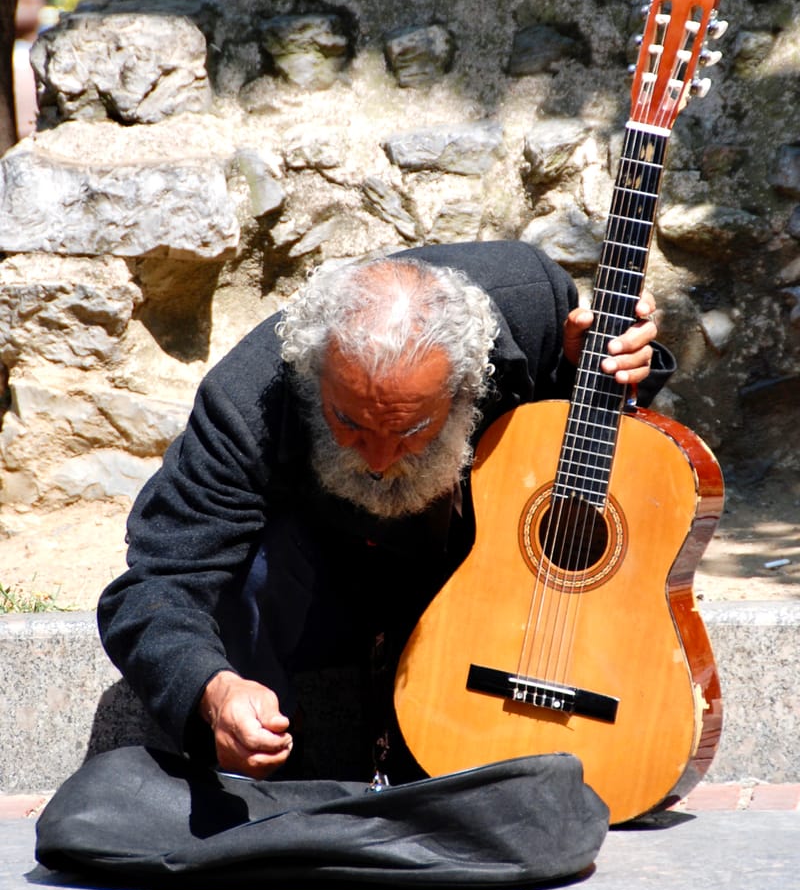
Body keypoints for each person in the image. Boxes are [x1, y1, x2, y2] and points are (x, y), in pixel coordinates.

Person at [97, 239, 672, 784]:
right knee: (252, 573)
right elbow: (157, 584)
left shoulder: (534, 305)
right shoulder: (244, 401)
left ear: (470, 381)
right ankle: (266, 792)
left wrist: (602, 373)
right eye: (348, 422)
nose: (377, 458)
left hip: (485, 593)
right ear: (311, 374)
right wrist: (215, 689)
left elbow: (580, 452)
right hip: (323, 592)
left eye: (411, 429)